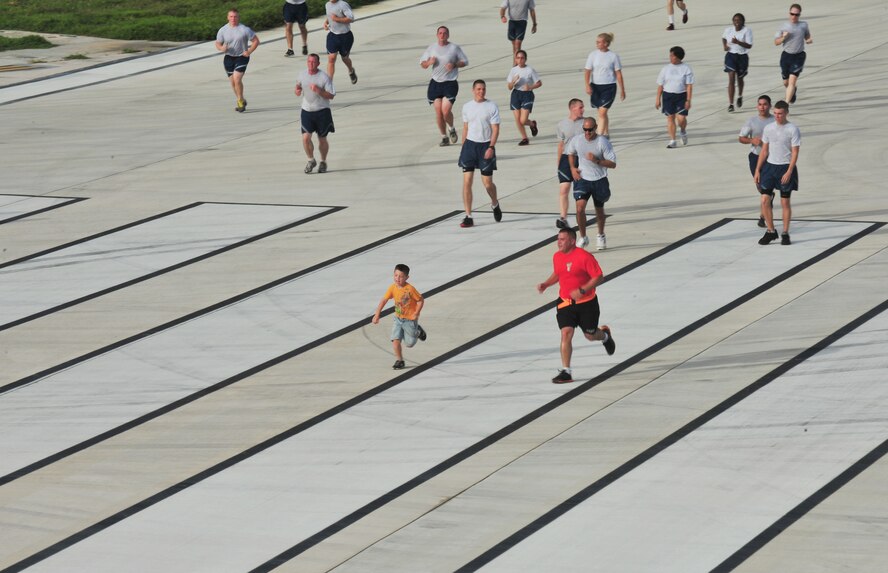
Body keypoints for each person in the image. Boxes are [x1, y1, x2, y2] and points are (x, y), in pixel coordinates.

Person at [537, 227, 615, 384]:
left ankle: (605, 336)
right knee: (566, 333)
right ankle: (566, 372)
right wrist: (546, 284)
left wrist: (583, 290)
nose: (559, 242)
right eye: (558, 239)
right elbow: (559, 273)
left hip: (587, 304)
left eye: (562, 239)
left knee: (590, 335)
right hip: (565, 303)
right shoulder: (557, 256)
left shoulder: (584, 257)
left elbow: (599, 277)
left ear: (572, 241)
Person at [754, 100, 801, 246]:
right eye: (775, 113)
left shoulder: (792, 129)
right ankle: (770, 231)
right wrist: (758, 169)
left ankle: (785, 233)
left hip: (785, 167)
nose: (777, 116)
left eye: (780, 113)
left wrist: (789, 171)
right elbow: (765, 150)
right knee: (764, 200)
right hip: (770, 167)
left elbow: (795, 152)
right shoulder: (768, 128)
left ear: (786, 112)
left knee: (785, 201)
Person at [458, 80, 503, 228]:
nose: (481, 91)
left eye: (483, 89)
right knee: (467, 181)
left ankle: (495, 203)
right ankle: (468, 215)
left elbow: (495, 129)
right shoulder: (467, 107)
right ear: (473, 90)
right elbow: (465, 127)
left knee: (487, 183)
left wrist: (491, 146)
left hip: (485, 145)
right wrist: (463, 146)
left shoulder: (491, 106)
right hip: (470, 146)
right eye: (478, 89)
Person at [566, 117, 616, 251]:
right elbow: (570, 152)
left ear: (595, 128)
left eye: (590, 130)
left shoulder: (602, 142)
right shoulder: (577, 140)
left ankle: (600, 235)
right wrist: (572, 168)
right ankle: (583, 237)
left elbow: (613, 164)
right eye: (585, 130)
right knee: (579, 209)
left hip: (599, 179)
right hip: (582, 178)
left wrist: (597, 161)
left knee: (599, 211)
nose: (587, 133)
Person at [420, 26, 469, 147]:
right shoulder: (432, 48)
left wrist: (454, 64)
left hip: (450, 82)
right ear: (437, 35)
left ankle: (451, 128)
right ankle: (444, 137)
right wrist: (429, 63)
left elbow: (465, 61)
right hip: (435, 83)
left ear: (448, 35)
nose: (442, 35)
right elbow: (422, 63)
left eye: (445, 33)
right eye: (440, 33)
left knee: (445, 111)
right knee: (438, 112)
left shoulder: (454, 48)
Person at [372, 264, 427, 370]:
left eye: (401, 276)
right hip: (398, 319)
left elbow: (420, 300)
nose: (398, 278)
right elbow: (384, 300)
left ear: (407, 277)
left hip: (410, 320)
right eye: (396, 275)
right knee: (395, 340)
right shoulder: (392, 287)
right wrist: (377, 315)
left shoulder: (410, 289)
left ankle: (418, 331)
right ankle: (400, 361)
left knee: (409, 344)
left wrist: (416, 313)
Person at [295, 53, 336, 174]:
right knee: (306, 138)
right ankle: (311, 160)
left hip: (322, 111)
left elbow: (331, 95)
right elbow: (298, 85)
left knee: (322, 139)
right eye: (309, 61)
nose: (311, 64)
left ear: (318, 63)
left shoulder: (324, 77)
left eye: (313, 62)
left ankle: (323, 162)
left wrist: (319, 91)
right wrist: (297, 90)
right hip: (306, 111)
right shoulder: (302, 75)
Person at [738, 95, 775, 227]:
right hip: (755, 157)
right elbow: (741, 138)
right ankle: (767, 204)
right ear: (757, 106)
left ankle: (762, 217)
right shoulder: (752, 121)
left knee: (766, 189)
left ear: (770, 106)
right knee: (761, 187)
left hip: (771, 159)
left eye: (765, 104)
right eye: (760, 104)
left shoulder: (775, 121)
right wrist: (751, 140)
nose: (762, 107)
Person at [214, 9, 260, 113]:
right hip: (229, 58)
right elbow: (217, 43)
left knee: (237, 79)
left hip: (242, 57)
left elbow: (256, 41)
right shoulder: (223, 30)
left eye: (235, 17)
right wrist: (221, 48)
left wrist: (249, 51)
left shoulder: (244, 29)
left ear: (238, 17)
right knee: (233, 83)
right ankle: (242, 99)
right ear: (227, 17)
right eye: (231, 16)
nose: (233, 19)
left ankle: (239, 101)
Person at [583, 32, 625, 137]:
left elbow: (618, 74)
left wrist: (622, 90)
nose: (596, 44)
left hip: (609, 87)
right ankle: (606, 133)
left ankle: (599, 136)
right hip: (596, 87)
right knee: (601, 112)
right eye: (596, 42)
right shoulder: (593, 55)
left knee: (602, 113)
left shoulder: (613, 56)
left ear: (606, 43)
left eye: (599, 42)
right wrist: (587, 85)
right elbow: (587, 70)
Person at [555, 98, 585, 230]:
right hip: (566, 159)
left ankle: (581, 214)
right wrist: (559, 162)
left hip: (581, 159)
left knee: (582, 193)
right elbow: (561, 145)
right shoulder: (562, 124)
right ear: (572, 108)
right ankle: (563, 218)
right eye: (580, 107)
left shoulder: (586, 123)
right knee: (564, 189)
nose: (583, 110)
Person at [655, 46, 694, 149]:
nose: (670, 57)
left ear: (677, 57)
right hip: (668, 95)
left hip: (681, 95)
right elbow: (660, 85)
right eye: (670, 55)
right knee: (670, 118)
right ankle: (672, 140)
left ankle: (683, 131)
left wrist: (688, 100)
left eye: (672, 55)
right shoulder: (665, 68)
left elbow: (689, 85)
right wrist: (657, 99)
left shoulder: (686, 68)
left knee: (681, 119)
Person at [775, 3, 812, 104]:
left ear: (800, 15)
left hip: (799, 56)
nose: (794, 16)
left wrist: (808, 39)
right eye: (792, 14)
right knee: (786, 82)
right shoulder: (783, 26)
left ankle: (786, 105)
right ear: (789, 13)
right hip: (786, 56)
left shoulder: (803, 25)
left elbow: (807, 34)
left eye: (797, 15)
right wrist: (784, 37)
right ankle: (793, 91)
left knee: (792, 81)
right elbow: (776, 42)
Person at [506, 50, 542, 145]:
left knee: (522, 120)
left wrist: (530, 87)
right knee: (518, 120)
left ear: (525, 59)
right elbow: (509, 87)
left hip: (527, 95)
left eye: (522, 58)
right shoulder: (513, 70)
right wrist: (513, 82)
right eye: (518, 58)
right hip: (516, 94)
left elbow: (539, 83)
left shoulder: (530, 70)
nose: (520, 60)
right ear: (516, 59)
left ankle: (532, 124)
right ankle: (525, 138)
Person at [722, 13, 753, 112]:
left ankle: (740, 96)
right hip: (731, 56)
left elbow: (749, 46)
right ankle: (731, 104)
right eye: (735, 20)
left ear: (743, 22)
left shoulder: (747, 31)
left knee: (740, 78)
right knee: (731, 79)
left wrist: (738, 42)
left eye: (739, 20)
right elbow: (724, 38)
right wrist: (725, 46)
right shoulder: (728, 30)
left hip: (742, 57)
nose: (737, 22)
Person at [324, 0, 357, 84]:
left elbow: (351, 18)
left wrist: (337, 19)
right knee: (331, 58)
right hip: (333, 36)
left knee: (345, 58)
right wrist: (326, 22)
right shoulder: (327, 5)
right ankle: (329, 83)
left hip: (345, 37)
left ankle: (351, 70)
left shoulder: (343, 5)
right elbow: (329, 16)